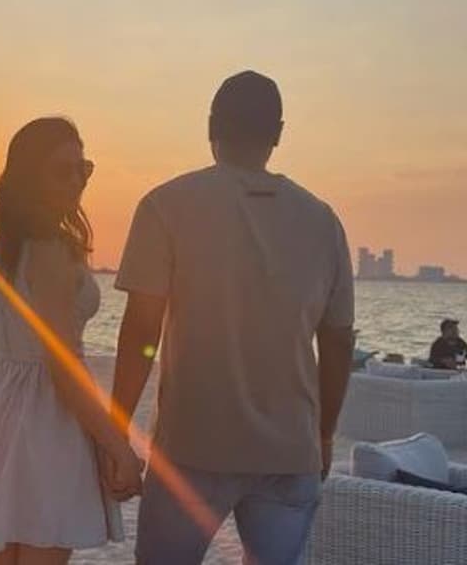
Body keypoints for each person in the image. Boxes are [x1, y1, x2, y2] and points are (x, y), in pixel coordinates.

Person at [106, 71, 355, 564]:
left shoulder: (166, 206)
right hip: (290, 451)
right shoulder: (323, 221)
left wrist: (117, 430)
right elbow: (338, 342)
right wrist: (323, 435)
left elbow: (140, 332)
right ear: (278, 134)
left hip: (192, 447)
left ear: (210, 126)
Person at [0, 117, 140, 565]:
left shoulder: (3, 248)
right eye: (62, 171)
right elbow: (63, 365)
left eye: (82, 169)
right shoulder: (50, 250)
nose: (76, 181)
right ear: (30, 177)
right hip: (46, 416)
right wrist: (117, 445)